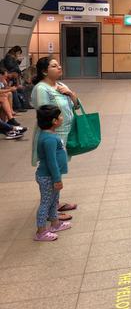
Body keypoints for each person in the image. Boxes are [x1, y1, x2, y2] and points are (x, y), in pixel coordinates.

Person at [31, 57, 79, 219]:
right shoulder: (41, 89)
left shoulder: (61, 86)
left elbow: (76, 105)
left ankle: (55, 204)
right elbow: (45, 114)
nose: (59, 67)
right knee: (53, 169)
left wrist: (70, 94)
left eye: (58, 64)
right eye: (54, 66)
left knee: (58, 168)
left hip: (64, 134)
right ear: (44, 71)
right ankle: (52, 210)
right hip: (53, 135)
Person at [34, 104, 71, 241]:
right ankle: (41, 231)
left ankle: (55, 223)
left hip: (52, 176)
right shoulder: (49, 139)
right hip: (48, 177)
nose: (62, 118)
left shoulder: (50, 134)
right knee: (46, 202)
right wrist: (57, 179)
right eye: (60, 116)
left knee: (54, 200)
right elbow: (51, 161)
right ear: (54, 121)